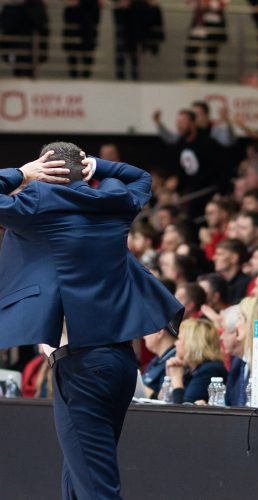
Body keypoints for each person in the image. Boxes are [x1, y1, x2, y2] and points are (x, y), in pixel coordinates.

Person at [0, 143, 184, 499]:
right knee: (78, 478)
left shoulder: (38, 202)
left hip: (82, 366)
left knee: (95, 488)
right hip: (119, 363)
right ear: (82, 169)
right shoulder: (114, 199)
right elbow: (140, 177)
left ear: (45, 168)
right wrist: (98, 166)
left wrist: (23, 172)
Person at [166, 318, 227, 403]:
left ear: (192, 343)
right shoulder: (189, 369)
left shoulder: (210, 370)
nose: (175, 343)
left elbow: (183, 412)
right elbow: (163, 398)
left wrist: (176, 379)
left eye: (179, 339)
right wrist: (169, 378)